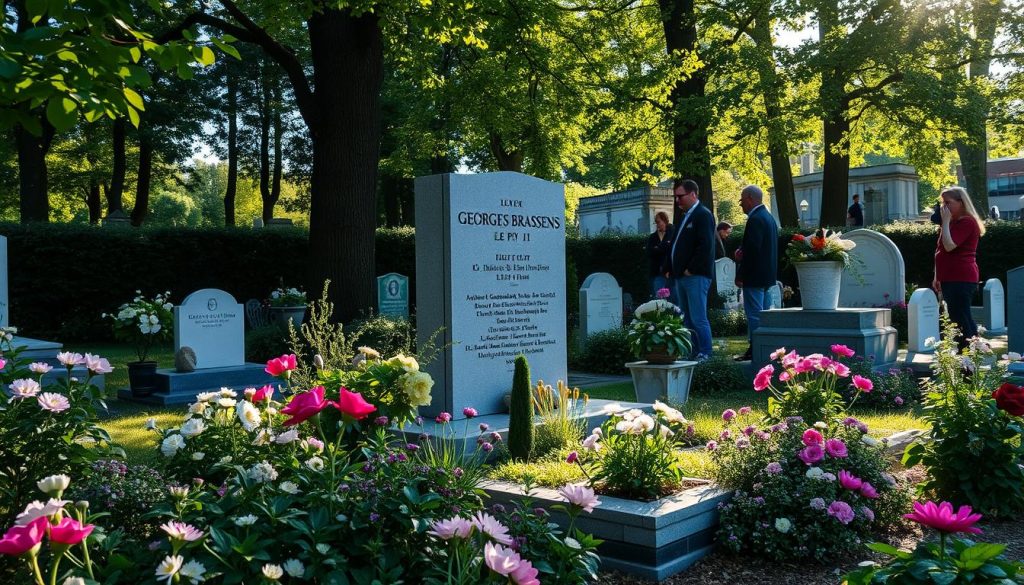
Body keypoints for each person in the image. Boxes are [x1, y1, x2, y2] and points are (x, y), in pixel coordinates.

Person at [663, 179, 715, 360]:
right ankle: (693, 352)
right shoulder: (686, 216)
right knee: (687, 319)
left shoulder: (703, 214)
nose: (677, 201)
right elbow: (676, 245)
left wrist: (690, 269)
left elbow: (705, 245)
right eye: (676, 197)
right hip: (682, 276)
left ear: (693, 194)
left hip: (696, 276)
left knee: (698, 318)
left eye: (680, 196)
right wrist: (670, 267)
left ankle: (706, 353)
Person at [932, 186, 986, 349]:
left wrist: (946, 222)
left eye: (947, 202)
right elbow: (939, 251)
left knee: (962, 318)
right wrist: (937, 276)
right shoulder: (951, 223)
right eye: (943, 203)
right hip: (949, 277)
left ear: (960, 202)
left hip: (961, 277)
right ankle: (967, 357)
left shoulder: (967, 222)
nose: (944, 207)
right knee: (956, 318)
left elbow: (949, 246)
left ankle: (969, 359)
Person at [733, 186, 778, 362]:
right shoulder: (769, 218)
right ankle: (767, 349)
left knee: (754, 315)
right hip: (767, 276)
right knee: (765, 315)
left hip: (754, 276)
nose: (741, 204)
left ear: (750, 199)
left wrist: (740, 274)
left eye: (742, 200)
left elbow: (752, 250)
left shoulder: (755, 219)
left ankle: (755, 348)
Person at [646, 211, 675, 299]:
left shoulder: (672, 232)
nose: (657, 224)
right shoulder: (653, 237)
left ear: (664, 221)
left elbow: (671, 248)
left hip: (670, 272)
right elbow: (649, 252)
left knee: (673, 299)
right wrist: (665, 245)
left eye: (659, 221)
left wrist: (658, 248)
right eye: (656, 222)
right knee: (659, 299)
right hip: (657, 272)